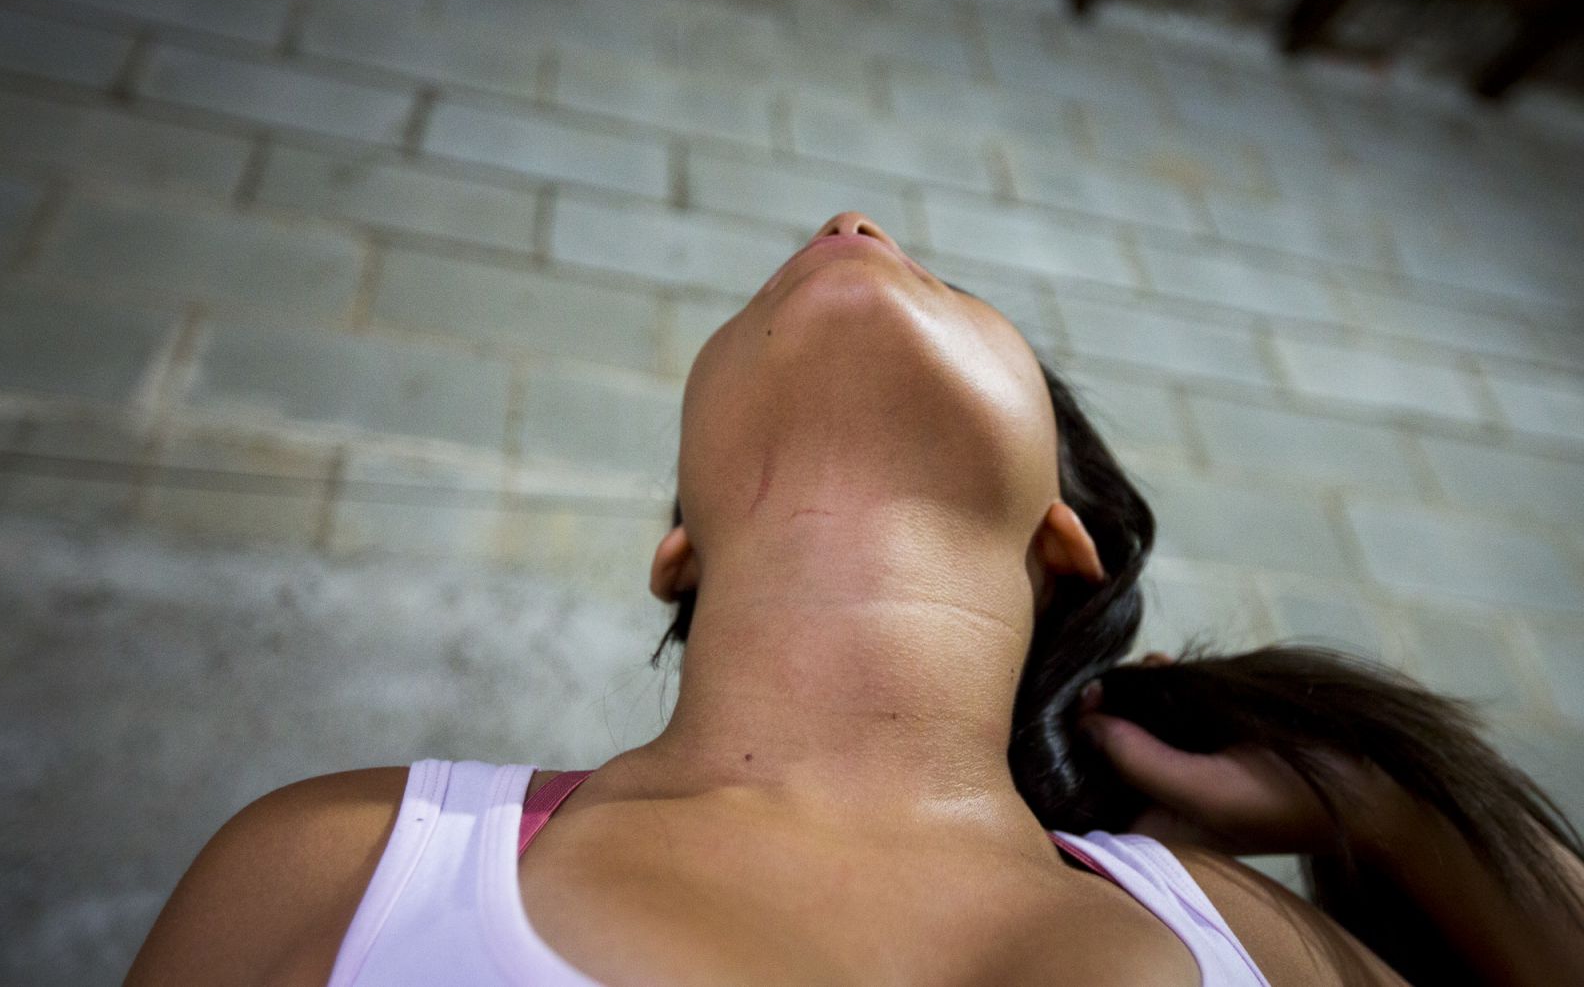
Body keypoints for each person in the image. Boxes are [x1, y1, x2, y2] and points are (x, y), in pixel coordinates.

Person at [124, 213, 1584, 986]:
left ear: (1060, 533)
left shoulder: (1245, 936)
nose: (853, 222)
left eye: (951, 283)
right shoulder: (343, 861)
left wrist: (1387, 796)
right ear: (678, 547)